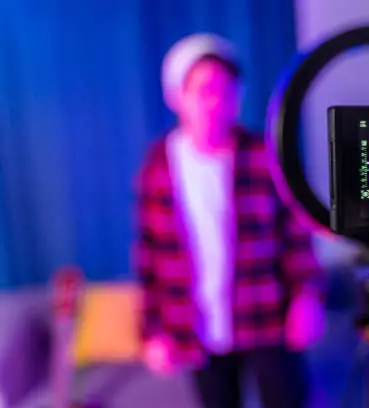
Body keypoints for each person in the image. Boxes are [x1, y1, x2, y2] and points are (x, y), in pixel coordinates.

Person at [133, 33, 326, 408]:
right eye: (203, 90)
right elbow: (148, 254)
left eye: (226, 90)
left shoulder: (265, 155)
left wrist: (307, 296)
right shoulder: (157, 167)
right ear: (177, 96)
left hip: (267, 314)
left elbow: (297, 232)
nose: (216, 101)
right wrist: (152, 331)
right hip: (197, 326)